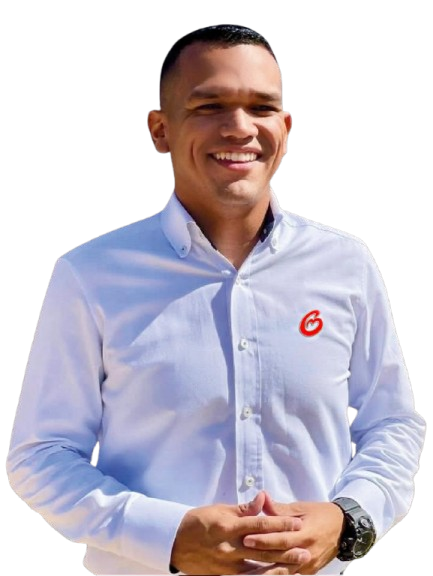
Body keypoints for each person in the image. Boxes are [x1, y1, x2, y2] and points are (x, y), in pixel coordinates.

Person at [6, 24, 426, 576]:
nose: (240, 127)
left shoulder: (346, 263)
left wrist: (348, 518)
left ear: (285, 129)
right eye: (210, 106)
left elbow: (393, 422)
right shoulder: (90, 275)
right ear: (160, 130)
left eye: (262, 107)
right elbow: (41, 455)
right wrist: (168, 537)